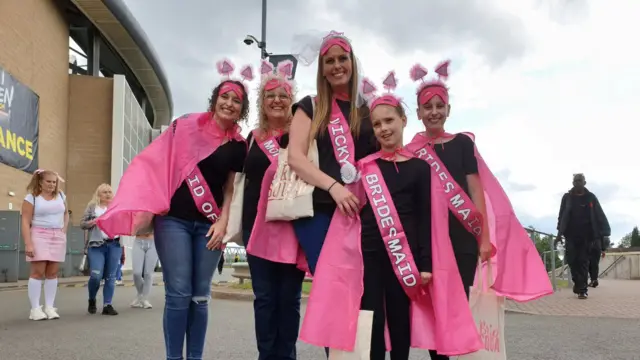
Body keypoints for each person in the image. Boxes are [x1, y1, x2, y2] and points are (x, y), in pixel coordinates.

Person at [299, 75, 481, 358]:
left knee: (399, 326)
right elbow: (350, 217)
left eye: (389, 121)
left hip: (404, 259)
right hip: (369, 257)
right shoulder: (363, 168)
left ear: (403, 121)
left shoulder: (421, 169)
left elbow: (425, 219)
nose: (384, 128)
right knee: (372, 323)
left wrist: (425, 264)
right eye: (378, 124)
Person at [96, 60, 252, 360]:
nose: (229, 103)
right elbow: (158, 163)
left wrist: (223, 222)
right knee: (178, 294)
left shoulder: (238, 146)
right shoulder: (186, 126)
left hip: (209, 226)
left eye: (237, 101)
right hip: (174, 222)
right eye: (225, 97)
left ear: (241, 109)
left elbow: (230, 189)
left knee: (200, 298)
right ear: (215, 99)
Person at [404, 61, 553, 359]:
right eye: (427, 106)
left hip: (462, 239)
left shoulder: (462, 144)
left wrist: (484, 238)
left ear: (449, 110)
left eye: (439, 105)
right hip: (430, 239)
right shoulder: (412, 151)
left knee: (458, 303)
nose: (434, 111)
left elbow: (475, 191)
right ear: (418, 113)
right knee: (435, 305)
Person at [288, 30, 378, 275]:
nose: (337, 66)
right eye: (330, 61)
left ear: (352, 62)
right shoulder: (310, 107)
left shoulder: (370, 108)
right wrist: (333, 186)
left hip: (365, 211)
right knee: (331, 287)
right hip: (320, 212)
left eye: (342, 59)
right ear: (322, 69)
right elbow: (295, 157)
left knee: (365, 287)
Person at [241, 60, 306, 360]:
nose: (277, 100)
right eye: (270, 95)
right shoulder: (252, 139)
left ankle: (287, 356)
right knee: (264, 300)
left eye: (283, 94)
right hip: (258, 231)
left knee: (289, 299)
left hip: (294, 229)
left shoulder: (302, 136)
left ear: (291, 100)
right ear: (262, 102)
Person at [21, 169, 68, 321]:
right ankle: (35, 309)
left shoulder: (61, 196)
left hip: (57, 236)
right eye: (49, 181)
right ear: (40, 182)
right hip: (39, 235)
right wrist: (28, 243)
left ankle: (49, 307)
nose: (52, 185)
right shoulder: (32, 198)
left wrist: (64, 228)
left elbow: (66, 213)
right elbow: (25, 221)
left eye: (54, 182)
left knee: (53, 272)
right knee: (37, 271)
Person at [556, 173, 610, 298]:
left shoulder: (591, 197)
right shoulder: (567, 197)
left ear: (584, 183)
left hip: (587, 236)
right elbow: (561, 216)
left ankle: (582, 289)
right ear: (572, 183)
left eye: (580, 180)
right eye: (575, 181)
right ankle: (578, 283)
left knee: (583, 262)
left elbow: (599, 214)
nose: (577, 183)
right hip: (570, 235)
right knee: (571, 261)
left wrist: (605, 234)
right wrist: (559, 234)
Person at [80, 183, 121, 316]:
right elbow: (82, 224)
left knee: (111, 276)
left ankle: (107, 305)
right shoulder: (92, 207)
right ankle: (92, 299)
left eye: (109, 191)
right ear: (98, 194)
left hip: (114, 244)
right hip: (97, 245)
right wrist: (93, 222)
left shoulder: (116, 207)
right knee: (96, 276)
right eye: (104, 192)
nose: (108, 194)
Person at [130, 230, 158, 309]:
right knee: (136, 273)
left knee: (148, 273)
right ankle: (140, 294)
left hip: (153, 241)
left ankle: (144, 299)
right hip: (138, 241)